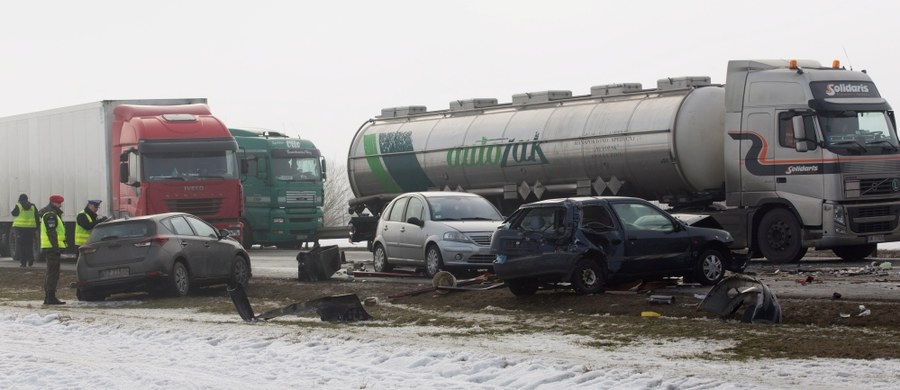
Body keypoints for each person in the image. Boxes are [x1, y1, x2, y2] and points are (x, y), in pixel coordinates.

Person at [39, 194, 67, 305]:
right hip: (52, 248)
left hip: (50, 247)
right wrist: (56, 248)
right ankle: (50, 297)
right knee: (53, 273)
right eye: (59, 203)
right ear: (53, 203)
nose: (60, 205)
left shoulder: (51, 213)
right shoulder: (50, 215)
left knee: (51, 272)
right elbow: (52, 233)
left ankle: (49, 297)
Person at [10, 193, 39, 267]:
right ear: (27, 199)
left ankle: (23, 263)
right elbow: (37, 217)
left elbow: (14, 213)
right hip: (30, 229)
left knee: (21, 246)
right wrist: (36, 227)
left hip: (20, 229)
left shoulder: (19, 205)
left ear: (20, 199)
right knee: (29, 245)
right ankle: (31, 259)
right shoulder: (33, 206)